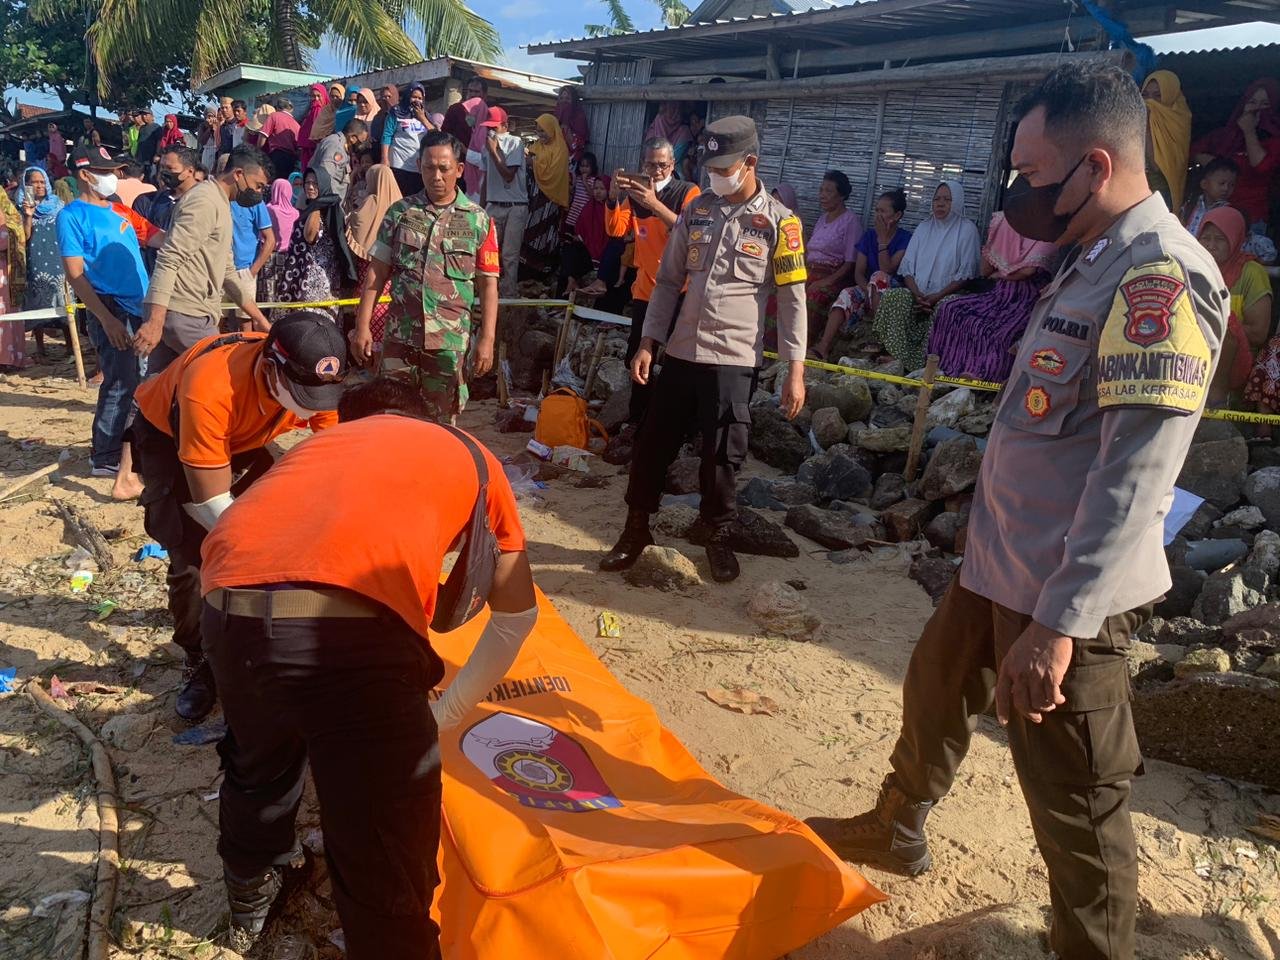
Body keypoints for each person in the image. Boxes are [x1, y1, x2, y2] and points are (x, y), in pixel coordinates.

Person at [805, 62, 1227, 960]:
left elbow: (1135, 476)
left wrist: (1059, 624)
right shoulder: (1089, 256)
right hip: (999, 561)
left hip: (1062, 595)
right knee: (933, 692)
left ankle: (1092, 947)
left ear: (1098, 167)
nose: (1018, 192)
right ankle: (898, 826)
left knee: (1076, 800)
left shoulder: (1160, 277)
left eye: (1035, 174)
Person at [195, 375, 535, 957]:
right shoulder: (467, 450)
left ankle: (248, 898)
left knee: (261, 762)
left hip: (228, 610)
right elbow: (515, 615)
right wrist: (445, 713)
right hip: (350, 634)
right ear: (430, 417)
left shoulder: (313, 452)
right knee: (384, 836)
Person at [599, 116, 807, 584]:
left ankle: (718, 535)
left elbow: (793, 301)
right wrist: (649, 341)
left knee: (723, 456)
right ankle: (635, 531)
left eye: (723, 165)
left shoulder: (781, 223)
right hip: (681, 351)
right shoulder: (697, 211)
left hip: (734, 359)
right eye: (708, 165)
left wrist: (796, 369)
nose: (714, 174)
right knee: (652, 444)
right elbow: (669, 281)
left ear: (749, 163)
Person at [130, 314, 347, 722]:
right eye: (304, 394)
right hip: (172, 435)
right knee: (197, 558)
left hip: (248, 435)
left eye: (323, 397)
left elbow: (336, 457)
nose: (313, 407)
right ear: (271, 370)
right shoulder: (210, 386)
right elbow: (212, 505)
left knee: (290, 516)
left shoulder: (315, 378)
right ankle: (199, 659)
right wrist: (278, 557)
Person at [351, 131, 499, 423]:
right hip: (400, 341)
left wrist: (487, 339)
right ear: (419, 165)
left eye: (444, 168)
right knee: (392, 417)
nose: (437, 176)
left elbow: (488, 285)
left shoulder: (479, 220)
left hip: (449, 345)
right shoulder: (400, 214)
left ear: (458, 169)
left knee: (441, 424)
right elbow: (376, 275)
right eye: (429, 167)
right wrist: (362, 327)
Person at [56, 144, 165, 489]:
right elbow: (75, 274)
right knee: (119, 382)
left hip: (141, 304)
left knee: (143, 382)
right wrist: (105, 318)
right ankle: (104, 456)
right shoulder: (71, 216)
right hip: (109, 306)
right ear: (85, 175)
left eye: (115, 170)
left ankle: (130, 449)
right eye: (105, 171)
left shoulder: (121, 211)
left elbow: (158, 237)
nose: (113, 177)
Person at [134, 144, 274, 374]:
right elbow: (170, 257)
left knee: (159, 392)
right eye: (257, 186)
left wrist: (259, 318)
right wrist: (155, 321)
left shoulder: (220, 203)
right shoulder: (205, 202)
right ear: (238, 174)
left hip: (184, 312)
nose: (258, 193)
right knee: (222, 373)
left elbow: (228, 271)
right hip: (185, 314)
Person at [606, 137, 701, 426]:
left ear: (672, 165)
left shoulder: (688, 191)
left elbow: (690, 231)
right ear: (642, 164)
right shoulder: (634, 193)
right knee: (638, 358)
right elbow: (615, 230)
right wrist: (614, 197)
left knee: (677, 361)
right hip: (646, 289)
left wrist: (653, 204)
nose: (656, 170)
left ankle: (673, 422)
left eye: (662, 165)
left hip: (681, 290)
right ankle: (637, 422)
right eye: (650, 164)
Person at [926, 211, 1059, 382]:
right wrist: (998, 236)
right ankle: (944, 367)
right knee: (950, 309)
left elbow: (1027, 271)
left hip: (1027, 299)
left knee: (995, 331)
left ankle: (980, 375)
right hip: (999, 296)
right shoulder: (1006, 225)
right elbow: (984, 270)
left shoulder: (1048, 230)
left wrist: (999, 274)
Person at [872, 180, 981, 370]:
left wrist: (936, 297)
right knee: (896, 296)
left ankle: (921, 363)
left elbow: (966, 275)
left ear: (957, 202)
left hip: (945, 294)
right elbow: (907, 268)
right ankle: (896, 355)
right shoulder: (924, 227)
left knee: (946, 307)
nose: (940, 203)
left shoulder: (967, 230)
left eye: (947, 199)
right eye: (937, 199)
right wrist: (917, 294)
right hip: (919, 293)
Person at [813, 188, 911, 360]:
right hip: (867, 289)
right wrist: (866, 290)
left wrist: (882, 241)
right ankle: (823, 346)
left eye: (883, 211)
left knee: (878, 277)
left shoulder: (905, 238)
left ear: (897, 216)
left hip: (892, 293)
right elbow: (858, 272)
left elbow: (888, 269)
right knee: (847, 294)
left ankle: (879, 341)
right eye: (876, 210)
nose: (877, 215)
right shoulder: (868, 236)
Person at [1192, 79, 1280, 230]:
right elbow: (1193, 152)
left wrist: (1249, 131)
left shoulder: (1275, 140)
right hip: (1218, 215)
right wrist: (1217, 164)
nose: (1257, 108)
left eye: (1265, 104)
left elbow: (1261, 165)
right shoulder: (1226, 135)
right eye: (1252, 102)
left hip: (1252, 219)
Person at [272, 169, 349, 323]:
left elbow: (309, 236)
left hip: (317, 279)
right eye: (308, 182)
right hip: (302, 272)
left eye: (315, 183)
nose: (310, 187)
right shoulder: (311, 208)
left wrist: (316, 206)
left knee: (314, 323)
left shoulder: (323, 209)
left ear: (324, 185)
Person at [345, 164, 402, 354]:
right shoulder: (403, 207)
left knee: (367, 325)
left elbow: (355, 224)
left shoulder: (369, 203)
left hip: (369, 278)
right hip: (393, 285)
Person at [803, 170, 863, 341]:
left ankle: (804, 347)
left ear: (841, 195)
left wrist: (825, 281)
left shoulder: (851, 221)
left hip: (833, 276)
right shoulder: (822, 219)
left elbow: (850, 262)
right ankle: (773, 347)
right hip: (810, 272)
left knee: (813, 298)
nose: (822, 195)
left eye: (828, 191)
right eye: (821, 190)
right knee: (782, 292)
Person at [17, 166, 67, 359]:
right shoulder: (21, 208)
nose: (38, 186)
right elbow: (24, 237)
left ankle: (70, 345)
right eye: (33, 183)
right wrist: (28, 216)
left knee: (64, 301)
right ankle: (40, 348)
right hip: (36, 260)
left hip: (58, 259)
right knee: (37, 302)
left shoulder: (58, 205)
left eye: (41, 181)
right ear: (26, 185)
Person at [482, 106, 529, 298]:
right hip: (494, 204)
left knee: (509, 255)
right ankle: (488, 291)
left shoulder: (514, 142)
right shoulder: (487, 146)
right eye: (489, 127)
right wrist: (482, 204)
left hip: (514, 206)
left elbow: (508, 175)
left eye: (495, 127)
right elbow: (487, 177)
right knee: (488, 252)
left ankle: (509, 295)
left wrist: (494, 151)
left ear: (505, 125)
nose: (491, 131)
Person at [136, 146, 200, 272]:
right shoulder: (161, 197)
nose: (164, 172)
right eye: (163, 167)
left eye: (170, 168)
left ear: (190, 171)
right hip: (154, 270)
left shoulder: (200, 201)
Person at [228, 179, 277, 329]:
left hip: (244, 270)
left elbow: (270, 239)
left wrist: (252, 271)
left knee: (246, 322)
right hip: (216, 269)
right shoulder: (215, 200)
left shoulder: (254, 202)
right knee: (216, 321)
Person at [1141, 70, 1192, 212]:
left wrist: (1146, 128)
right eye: (1145, 95)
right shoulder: (1133, 120)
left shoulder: (1178, 120)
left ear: (1170, 96)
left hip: (1160, 196)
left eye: (1158, 96)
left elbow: (1156, 166)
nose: (1149, 101)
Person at [382, 83, 431, 196]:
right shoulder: (396, 112)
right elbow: (387, 135)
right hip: (399, 163)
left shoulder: (426, 115)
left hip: (418, 167)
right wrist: (385, 158)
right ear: (407, 95)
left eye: (420, 98)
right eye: (414, 97)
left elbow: (436, 134)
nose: (417, 101)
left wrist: (422, 118)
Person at [311, 116, 368, 203]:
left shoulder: (342, 147)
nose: (361, 146)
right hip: (325, 204)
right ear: (352, 137)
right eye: (361, 142)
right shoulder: (335, 147)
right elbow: (325, 177)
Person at [1182, 156, 1238, 236]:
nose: (1226, 188)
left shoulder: (1229, 212)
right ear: (1204, 184)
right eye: (1221, 183)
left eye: (1231, 185)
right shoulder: (1190, 205)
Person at [528, 113, 570, 211]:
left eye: (543, 131)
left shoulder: (560, 149)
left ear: (552, 129)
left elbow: (554, 174)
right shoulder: (537, 145)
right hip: (533, 195)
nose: (540, 134)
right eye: (538, 131)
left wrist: (533, 163)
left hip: (550, 199)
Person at [260, 97, 300, 179]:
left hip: (277, 156)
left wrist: (257, 151)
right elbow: (299, 149)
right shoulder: (296, 124)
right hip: (291, 159)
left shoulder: (274, 116)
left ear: (277, 107)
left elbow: (262, 137)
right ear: (291, 109)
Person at [644, 101, 692, 169]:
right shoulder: (655, 127)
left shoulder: (684, 131)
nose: (675, 114)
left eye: (678, 109)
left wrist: (662, 166)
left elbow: (674, 158)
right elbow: (647, 154)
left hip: (673, 170)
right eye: (672, 109)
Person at [298, 83, 329, 173]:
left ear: (324, 96)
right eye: (313, 96)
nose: (316, 99)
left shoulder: (318, 110)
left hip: (315, 151)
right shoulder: (311, 111)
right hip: (309, 151)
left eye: (319, 96)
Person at [555, 85, 590, 164]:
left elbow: (574, 146)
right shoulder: (555, 117)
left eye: (567, 99)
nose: (564, 102)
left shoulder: (579, 118)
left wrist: (566, 126)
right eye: (561, 98)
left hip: (570, 163)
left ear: (573, 100)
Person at [136, 110, 162, 176]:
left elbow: (159, 142)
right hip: (140, 159)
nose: (143, 116)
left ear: (151, 116)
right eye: (142, 115)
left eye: (145, 115)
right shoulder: (142, 128)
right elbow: (139, 142)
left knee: (149, 177)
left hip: (150, 159)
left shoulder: (156, 127)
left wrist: (157, 154)